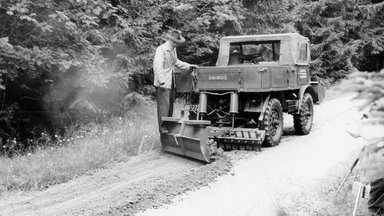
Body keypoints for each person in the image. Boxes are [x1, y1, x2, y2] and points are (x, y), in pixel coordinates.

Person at [153, 30, 198, 133]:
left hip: (170, 81)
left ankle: (168, 127)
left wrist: (189, 66)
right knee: (164, 106)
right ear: (171, 40)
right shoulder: (162, 49)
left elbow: (176, 62)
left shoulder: (173, 50)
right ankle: (162, 128)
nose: (177, 45)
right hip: (163, 82)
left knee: (170, 106)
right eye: (176, 42)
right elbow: (157, 66)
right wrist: (162, 81)